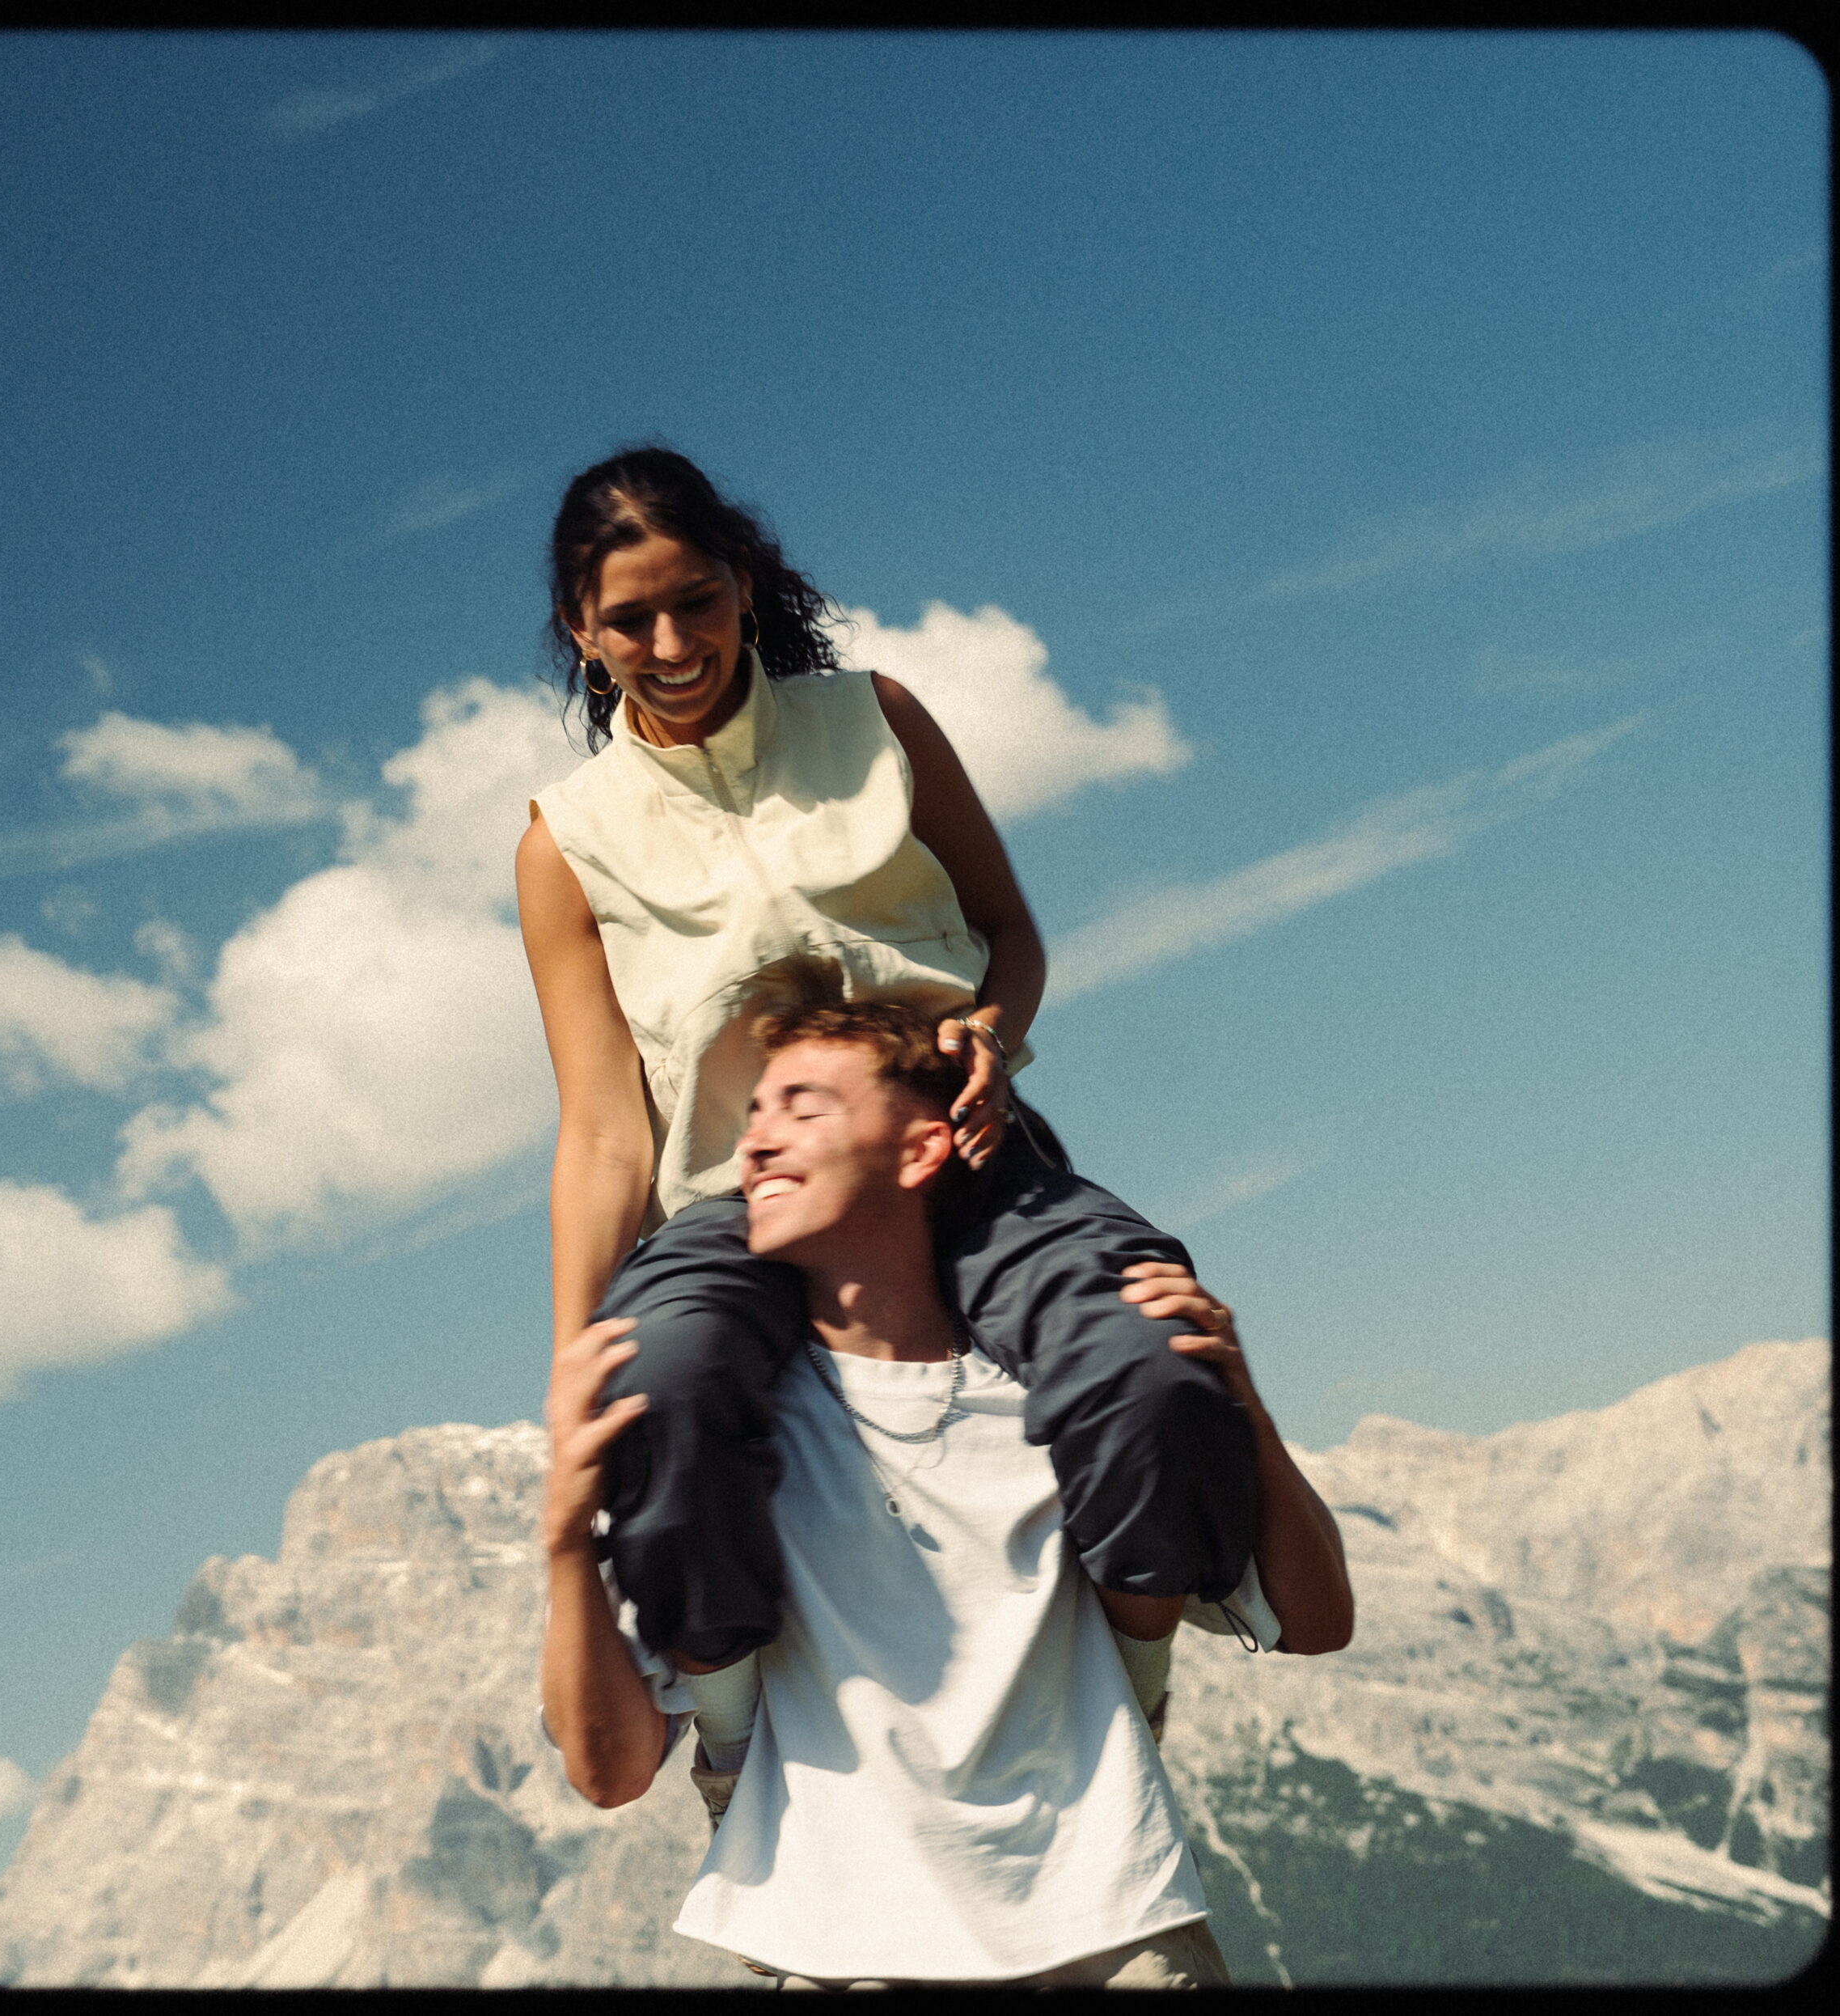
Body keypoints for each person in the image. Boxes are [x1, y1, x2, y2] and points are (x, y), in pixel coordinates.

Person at [517, 446, 1258, 1689]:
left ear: (744, 580)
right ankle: (730, 1721)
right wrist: (572, 1364)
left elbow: (1009, 934)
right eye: (630, 620)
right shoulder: (563, 846)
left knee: (1150, 1354)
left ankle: (1139, 1677)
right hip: (738, 1206)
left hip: (963, 1156)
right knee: (660, 1399)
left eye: (695, 598)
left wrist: (990, 1034)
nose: (673, 641)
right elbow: (603, 1134)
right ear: (581, 634)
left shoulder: (878, 719)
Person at [539, 1003, 1354, 1989]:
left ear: (924, 1146)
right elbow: (608, 1771)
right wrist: (562, 1545)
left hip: (1114, 1940)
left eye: (803, 1106)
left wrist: (1243, 1407)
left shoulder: (1055, 1397)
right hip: (842, 1958)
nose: (755, 1139)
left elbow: (1316, 1621)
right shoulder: (724, 1433)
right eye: (754, 1110)